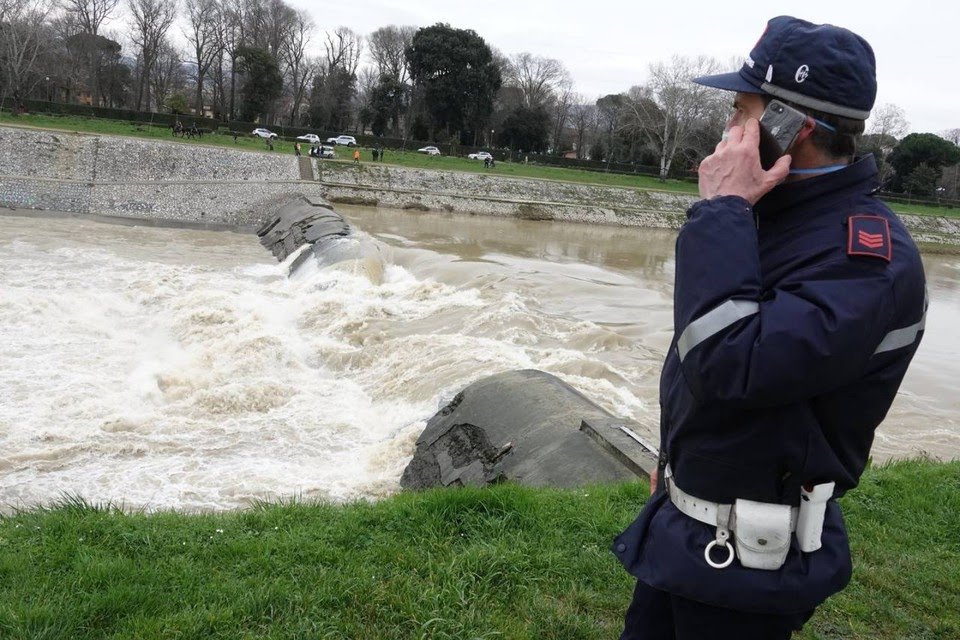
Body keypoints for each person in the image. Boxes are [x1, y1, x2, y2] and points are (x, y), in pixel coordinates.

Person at [613, 15, 926, 639]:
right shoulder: (776, 218)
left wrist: (721, 209)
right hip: (689, 530)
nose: (728, 127)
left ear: (793, 127)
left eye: (740, 110)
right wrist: (680, 463)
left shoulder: (866, 257)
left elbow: (730, 363)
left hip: (750, 565)